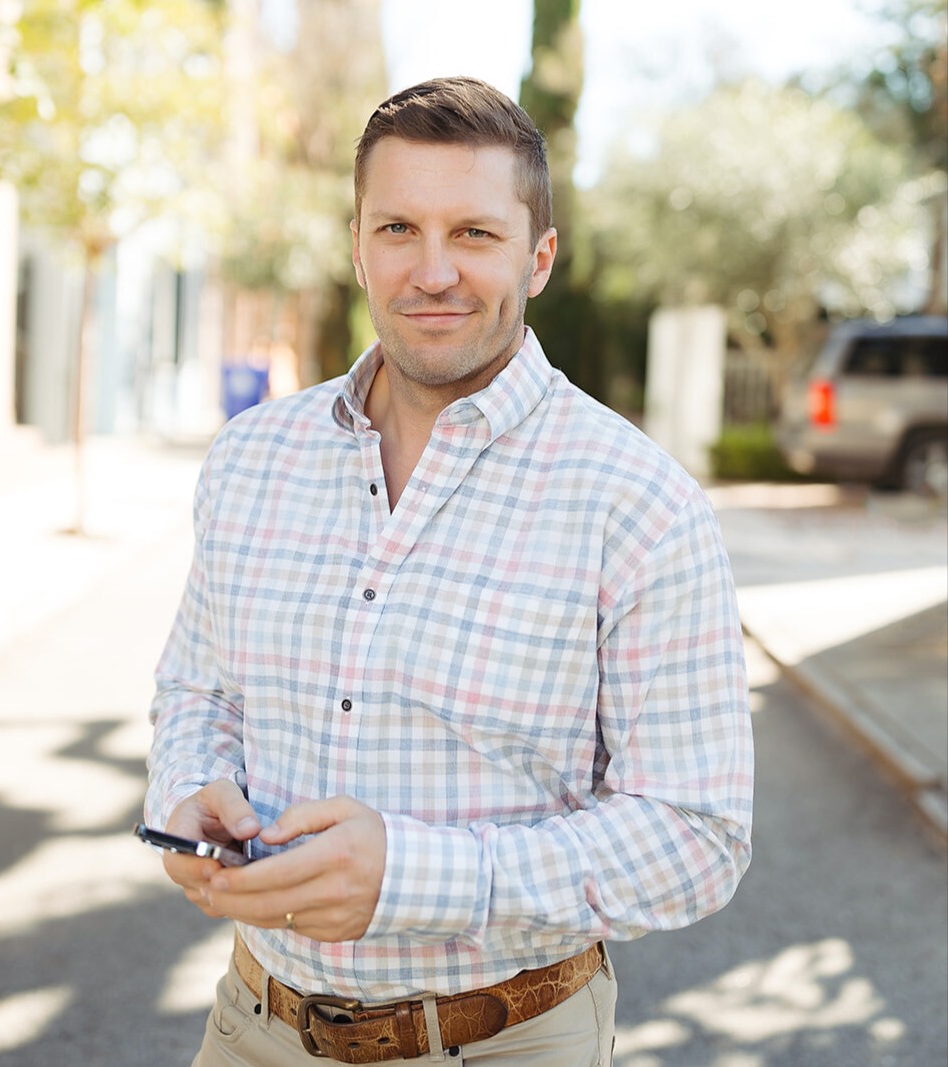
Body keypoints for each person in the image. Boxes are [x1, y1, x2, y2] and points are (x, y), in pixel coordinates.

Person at [144, 76, 754, 1067]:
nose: (431, 271)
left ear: (537, 256)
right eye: (397, 228)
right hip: (253, 1023)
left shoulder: (638, 505)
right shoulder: (250, 458)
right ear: (356, 245)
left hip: (506, 1040)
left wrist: (415, 875)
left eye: (472, 233)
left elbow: (693, 835)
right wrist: (190, 790)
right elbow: (195, 689)